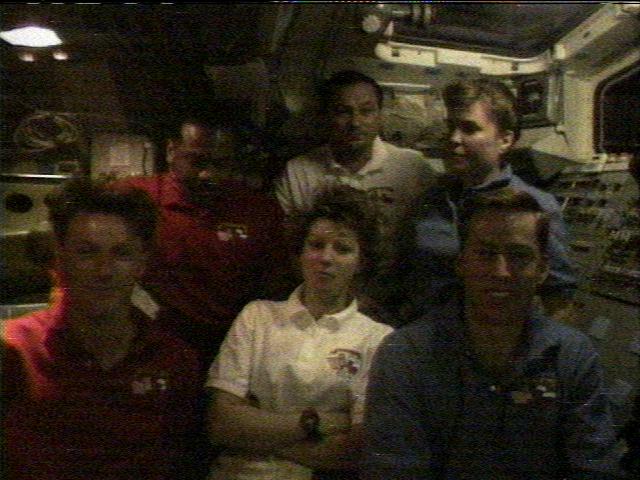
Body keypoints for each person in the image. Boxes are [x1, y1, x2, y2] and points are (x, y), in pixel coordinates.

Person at [362, 188, 619, 479]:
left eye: (519, 255)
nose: (501, 272)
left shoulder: (572, 354)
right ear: (461, 263)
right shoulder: (404, 354)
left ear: (542, 269)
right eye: (485, 254)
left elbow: (594, 464)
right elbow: (394, 467)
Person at [1, 179, 201, 480]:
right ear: (60, 258)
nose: (104, 270)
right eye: (86, 252)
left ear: (143, 263)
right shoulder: (14, 349)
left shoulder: (174, 360)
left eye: (122, 253)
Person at [206, 187, 393, 479]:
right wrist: (321, 421)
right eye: (316, 245)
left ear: (362, 262)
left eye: (342, 249)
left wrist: (255, 432)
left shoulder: (378, 338)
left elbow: (353, 450)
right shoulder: (257, 316)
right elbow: (221, 424)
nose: (325, 257)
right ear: (300, 253)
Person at [396, 77, 577, 324]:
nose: (454, 138)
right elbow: (403, 276)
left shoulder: (536, 206)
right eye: (450, 127)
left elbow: (559, 299)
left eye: (469, 129)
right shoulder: (429, 201)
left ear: (505, 140)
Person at [112, 117, 290, 366]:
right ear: (171, 151)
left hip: (233, 347)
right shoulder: (133, 198)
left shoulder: (259, 211)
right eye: (197, 161)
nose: (208, 174)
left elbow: (275, 290)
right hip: (152, 344)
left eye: (220, 163)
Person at [274, 70, 440, 283]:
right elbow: (291, 247)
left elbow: (432, 245)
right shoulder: (299, 172)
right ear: (325, 116)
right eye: (343, 112)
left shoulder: (413, 168)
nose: (355, 122)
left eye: (366, 111)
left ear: (380, 115)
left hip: (395, 287)